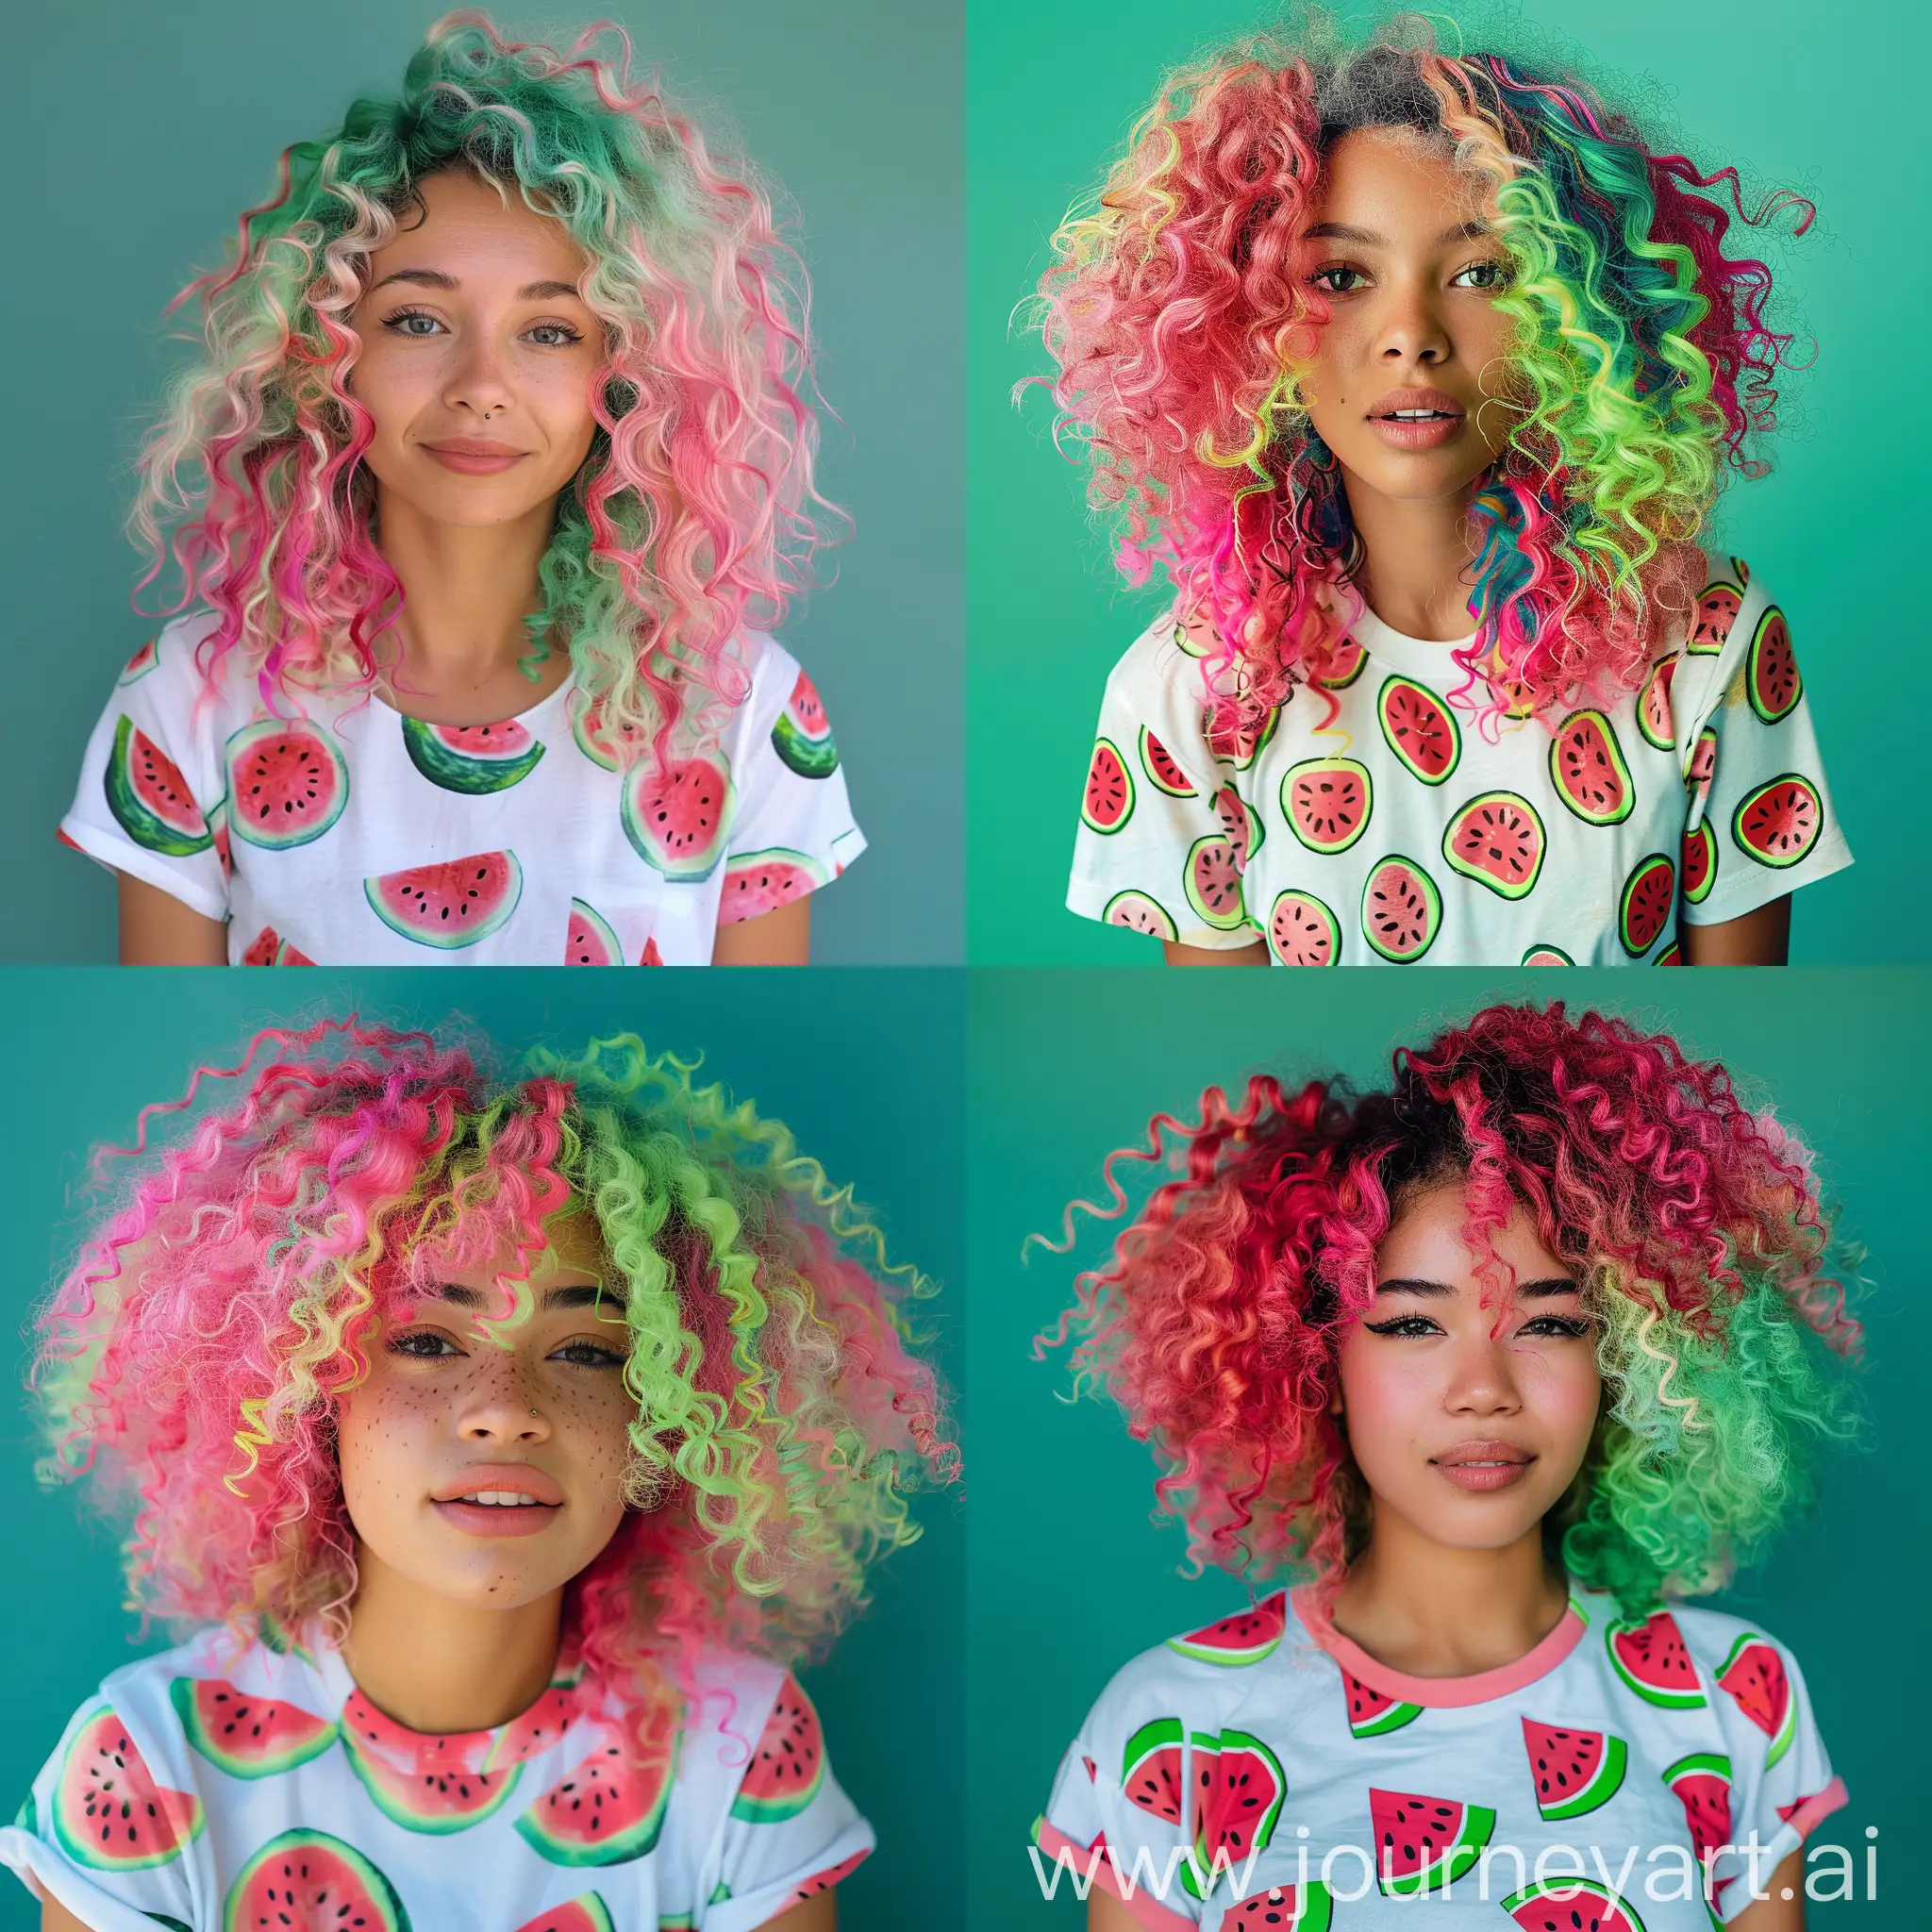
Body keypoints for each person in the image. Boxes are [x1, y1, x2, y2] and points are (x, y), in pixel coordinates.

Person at [2, 1019, 956, 1930]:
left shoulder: (741, 1748)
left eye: (586, 1349)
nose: (505, 1406)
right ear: (305, 1390)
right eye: (424, 1338)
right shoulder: (145, 1762)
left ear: (664, 1409)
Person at [1037, 18, 1849, 966]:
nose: (1409, 335)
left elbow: (1720, 1031)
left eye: (1477, 273)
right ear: (1245, 324)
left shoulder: (1709, 641)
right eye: (1340, 276)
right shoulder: (1187, 693)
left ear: (1572, 311)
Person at [1033, 1003, 1859, 1926]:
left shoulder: (1731, 1695)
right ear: (1319, 1363)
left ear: (1622, 1357)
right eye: (1411, 1324)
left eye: (1547, 1321)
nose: (1482, 1387)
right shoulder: (1169, 1722)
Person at [61, 13, 862, 966]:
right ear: (327, 358)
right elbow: (194, 1058)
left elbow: (745, 1070)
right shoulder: (188, 698)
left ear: (624, 375)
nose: (480, 383)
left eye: (549, 332)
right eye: (417, 320)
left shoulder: (740, 708)